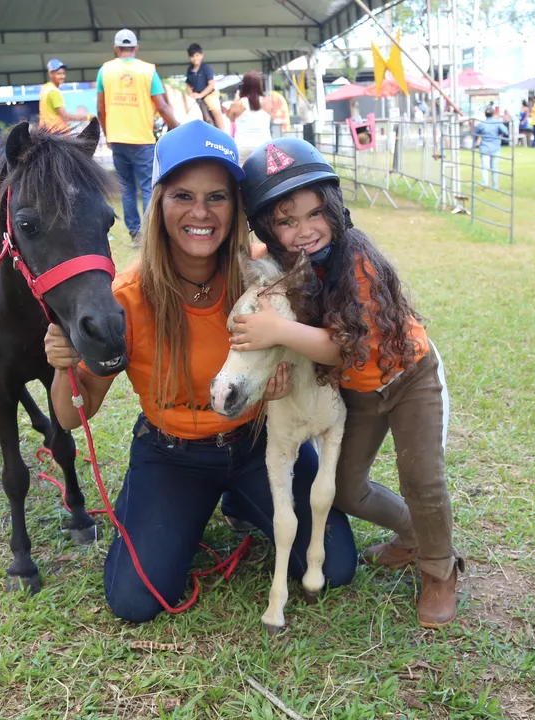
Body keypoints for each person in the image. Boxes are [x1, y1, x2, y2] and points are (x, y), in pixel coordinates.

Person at [43, 122, 357, 624]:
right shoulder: (126, 297)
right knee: (136, 600)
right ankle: (163, 503)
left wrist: (280, 377)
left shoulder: (263, 275)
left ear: (236, 207)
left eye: (217, 197)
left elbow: (318, 334)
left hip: (257, 445)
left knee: (337, 566)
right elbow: (72, 414)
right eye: (184, 195)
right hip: (172, 454)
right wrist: (62, 366)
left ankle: (236, 497)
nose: (200, 213)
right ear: (159, 202)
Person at [232, 138, 460, 628]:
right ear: (269, 229)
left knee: (422, 476)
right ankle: (411, 535)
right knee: (345, 488)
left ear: (333, 207)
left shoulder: (357, 262)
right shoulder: (285, 258)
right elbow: (249, 256)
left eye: (315, 214)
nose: (305, 230)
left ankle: (440, 570)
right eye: (286, 222)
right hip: (356, 393)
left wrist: (278, 331)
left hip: (407, 376)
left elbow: (345, 345)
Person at [97, 28, 179, 245]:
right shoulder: (147, 70)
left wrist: (108, 132)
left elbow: (100, 109)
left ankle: (135, 234)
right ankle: (150, 232)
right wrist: (176, 128)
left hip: (117, 138)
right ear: (136, 48)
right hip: (142, 138)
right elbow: (161, 105)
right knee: (147, 186)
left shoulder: (104, 71)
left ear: (116, 48)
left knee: (126, 187)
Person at [226, 71, 272, 164]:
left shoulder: (237, 104)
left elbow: (230, 119)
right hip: (264, 145)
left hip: (243, 146)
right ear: (260, 84)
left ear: (244, 85)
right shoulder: (267, 102)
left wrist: (236, 99)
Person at [39, 58, 89, 133]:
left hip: (46, 133)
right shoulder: (53, 91)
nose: (62, 76)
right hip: (57, 134)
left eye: (63, 73)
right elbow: (64, 116)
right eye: (58, 74)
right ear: (50, 74)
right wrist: (87, 117)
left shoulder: (45, 88)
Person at [185, 44, 225, 130]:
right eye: (192, 56)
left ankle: (223, 132)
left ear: (202, 55)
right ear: (189, 58)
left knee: (215, 110)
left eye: (197, 55)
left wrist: (201, 95)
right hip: (196, 95)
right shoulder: (190, 70)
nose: (195, 58)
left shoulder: (206, 68)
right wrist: (191, 94)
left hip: (209, 94)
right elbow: (188, 85)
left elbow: (211, 84)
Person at [473, 106, 509, 190]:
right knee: (494, 168)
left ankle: (484, 183)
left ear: (485, 115)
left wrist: (474, 143)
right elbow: (506, 131)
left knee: (485, 167)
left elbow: (475, 133)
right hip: (495, 147)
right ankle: (495, 185)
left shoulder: (482, 124)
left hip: (484, 148)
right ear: (493, 114)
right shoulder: (497, 123)